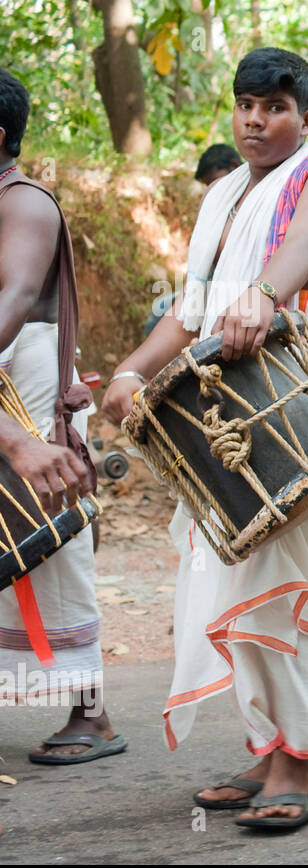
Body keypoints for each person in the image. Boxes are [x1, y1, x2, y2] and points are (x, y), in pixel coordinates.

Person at [100, 48, 308, 830]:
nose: (254, 119)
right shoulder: (226, 198)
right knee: (227, 576)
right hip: (229, 411)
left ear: (305, 118)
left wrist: (264, 296)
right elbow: (191, 308)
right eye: (245, 104)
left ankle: (300, 767)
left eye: (274, 106)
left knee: (270, 582)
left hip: (300, 414)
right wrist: (127, 370)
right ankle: (270, 744)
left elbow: (300, 256)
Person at [0, 68, 123, 766]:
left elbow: (14, 298)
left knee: (50, 535)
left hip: (30, 373)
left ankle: (94, 713)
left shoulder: (25, 204)